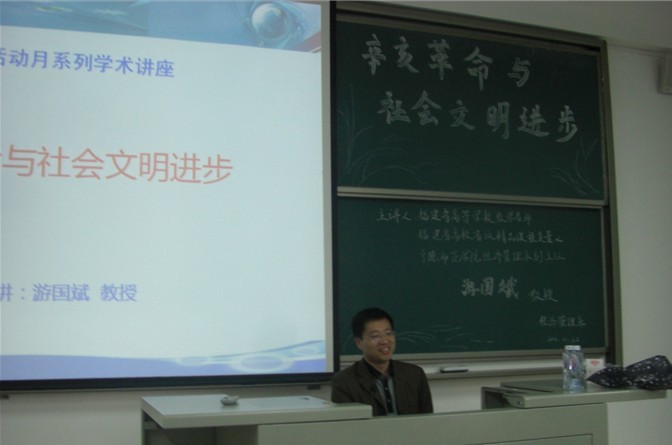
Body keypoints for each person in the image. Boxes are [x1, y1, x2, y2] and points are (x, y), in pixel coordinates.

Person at [331, 307, 433, 416]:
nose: (384, 341)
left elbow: (428, 420)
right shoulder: (344, 382)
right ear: (359, 342)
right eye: (375, 336)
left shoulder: (415, 374)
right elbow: (347, 424)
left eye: (388, 333)